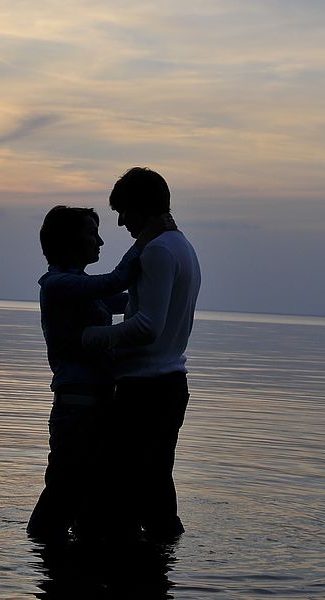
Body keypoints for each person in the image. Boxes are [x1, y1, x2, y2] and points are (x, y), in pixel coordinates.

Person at [27, 205, 168, 542]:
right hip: (77, 408)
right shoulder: (57, 285)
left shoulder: (82, 285)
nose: (101, 241)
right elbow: (118, 280)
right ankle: (42, 551)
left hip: (96, 404)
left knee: (85, 490)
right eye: (93, 233)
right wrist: (145, 241)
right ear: (69, 240)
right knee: (64, 488)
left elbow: (128, 300)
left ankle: (68, 563)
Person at [82, 167, 201, 540]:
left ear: (141, 208)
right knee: (155, 486)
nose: (120, 223)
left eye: (123, 212)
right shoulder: (181, 246)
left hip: (146, 390)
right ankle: (158, 570)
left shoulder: (159, 252)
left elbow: (149, 326)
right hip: (168, 385)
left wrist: (93, 337)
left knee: (120, 488)